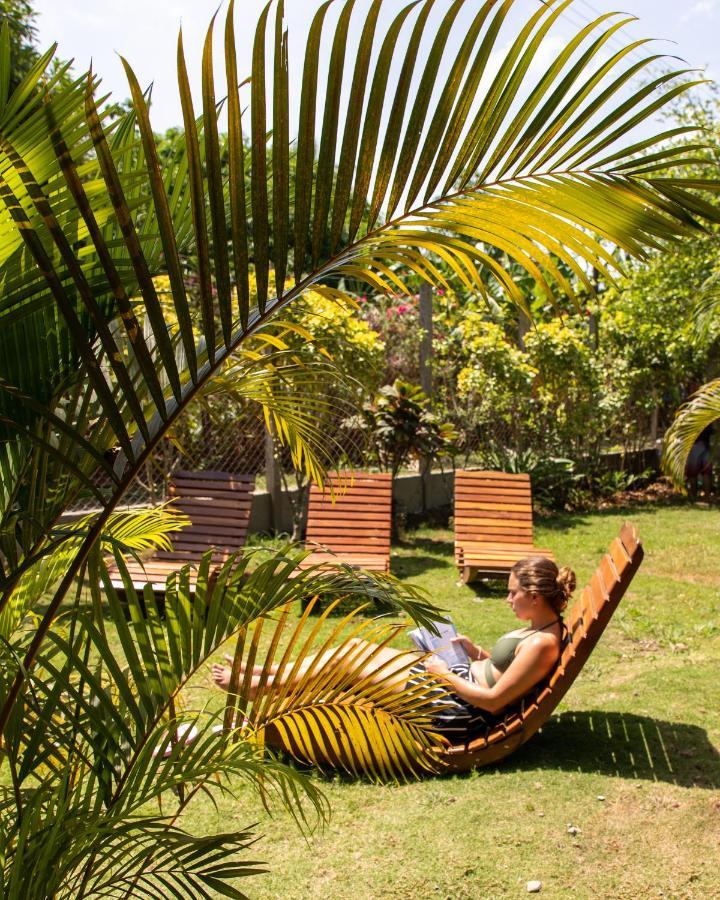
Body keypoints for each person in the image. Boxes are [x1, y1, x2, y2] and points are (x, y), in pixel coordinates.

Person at [211, 556, 575, 743]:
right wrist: (476, 652)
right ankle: (265, 675)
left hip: (456, 708)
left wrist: (445, 674)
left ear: (534, 596)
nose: (508, 599)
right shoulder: (541, 628)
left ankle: (260, 685)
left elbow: (494, 701)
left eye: (513, 593)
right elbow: (507, 672)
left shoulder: (543, 643)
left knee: (348, 665)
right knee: (353, 649)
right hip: (457, 683)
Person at [685, 423, 713, 498]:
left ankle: (698, 496)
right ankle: (705, 497)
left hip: (699, 446)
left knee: (695, 473)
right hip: (700, 445)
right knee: (703, 473)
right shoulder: (708, 415)